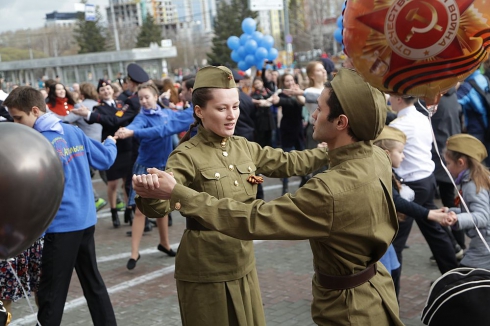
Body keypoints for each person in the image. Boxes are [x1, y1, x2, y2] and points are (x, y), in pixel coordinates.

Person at [134, 68, 403, 326]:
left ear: (341, 123)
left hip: (242, 260)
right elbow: (159, 205)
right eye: (221, 108)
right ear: (199, 111)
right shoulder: (186, 154)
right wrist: (150, 193)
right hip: (207, 266)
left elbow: (286, 162)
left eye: (235, 106)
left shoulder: (243, 147)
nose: (231, 116)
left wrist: (332, 149)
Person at [4, 86, 117, 326]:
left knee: (51, 294)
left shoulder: (36, 145)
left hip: (60, 226)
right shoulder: (71, 131)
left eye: (18, 118)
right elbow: (105, 159)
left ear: (35, 110)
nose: (15, 124)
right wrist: (111, 142)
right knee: (93, 284)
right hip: (85, 220)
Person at [114, 83, 194, 269]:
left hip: (163, 167)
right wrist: (129, 130)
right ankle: (134, 252)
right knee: (140, 210)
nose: (144, 101)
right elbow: (140, 127)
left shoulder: (167, 114)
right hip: (145, 168)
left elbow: (180, 119)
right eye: (141, 98)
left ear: (156, 97)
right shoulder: (142, 118)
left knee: (163, 207)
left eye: (147, 97)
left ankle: (164, 244)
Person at [374, 126, 451, 297]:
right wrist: (429, 214)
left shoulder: (383, 169)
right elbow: (396, 200)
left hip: (383, 238)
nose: (403, 156)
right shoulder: (379, 172)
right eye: (400, 152)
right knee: (387, 277)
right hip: (379, 238)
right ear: (387, 153)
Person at [389, 95, 458, 276]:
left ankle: (390, 286)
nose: (389, 99)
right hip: (427, 179)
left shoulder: (398, 125)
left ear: (398, 99)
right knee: (434, 230)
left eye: (390, 96)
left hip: (411, 185)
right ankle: (453, 277)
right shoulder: (422, 117)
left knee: (396, 239)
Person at [72, 79, 136, 228]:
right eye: (102, 90)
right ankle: (114, 211)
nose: (106, 91)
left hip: (126, 145)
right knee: (112, 182)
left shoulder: (122, 104)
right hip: (111, 146)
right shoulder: (98, 108)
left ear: (112, 90)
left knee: (127, 181)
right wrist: (88, 114)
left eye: (108, 88)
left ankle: (129, 208)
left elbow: (118, 119)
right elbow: (111, 121)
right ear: (99, 93)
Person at [435, 134, 490, 269]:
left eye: (448, 163)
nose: (446, 168)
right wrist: (452, 212)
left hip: (485, 245)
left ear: (461, 163)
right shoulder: (474, 179)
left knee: (466, 275)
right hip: (483, 242)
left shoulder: (472, 185)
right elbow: (475, 211)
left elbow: (483, 216)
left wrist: (456, 219)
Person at [270, 73, 308, 194]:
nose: (290, 83)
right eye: (287, 81)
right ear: (283, 83)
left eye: (292, 80)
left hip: (298, 128)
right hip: (287, 128)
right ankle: (285, 187)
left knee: (302, 155)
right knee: (287, 157)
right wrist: (278, 100)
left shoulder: (299, 93)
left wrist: (297, 93)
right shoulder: (281, 94)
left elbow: (302, 102)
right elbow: (280, 102)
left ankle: (304, 179)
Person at [457, 69, 490, 166]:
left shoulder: (466, 87)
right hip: (487, 125)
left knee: (476, 162)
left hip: (475, 130)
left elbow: (454, 103)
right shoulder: (484, 78)